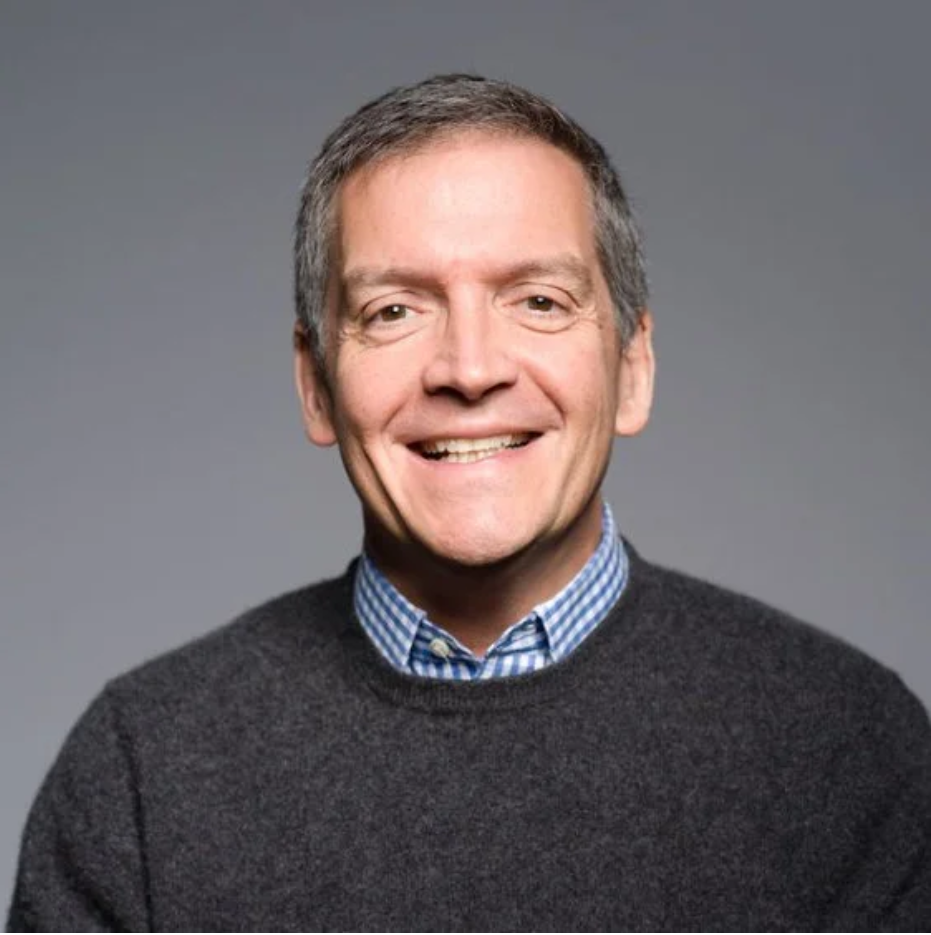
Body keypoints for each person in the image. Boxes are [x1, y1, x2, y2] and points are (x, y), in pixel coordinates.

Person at [7, 74, 931, 932]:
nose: (470, 370)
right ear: (316, 386)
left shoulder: (848, 748)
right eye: (394, 312)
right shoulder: (141, 771)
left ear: (632, 367)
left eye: (537, 299)